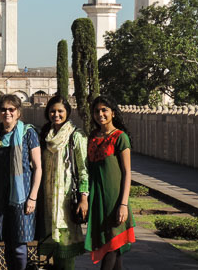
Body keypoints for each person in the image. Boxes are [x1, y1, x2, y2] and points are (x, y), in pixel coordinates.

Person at [0, 94, 42, 270]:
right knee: (8, 242)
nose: (7, 113)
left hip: (23, 196)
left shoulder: (28, 133)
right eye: (3, 109)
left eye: (11, 109)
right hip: (3, 195)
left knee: (20, 243)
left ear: (18, 112)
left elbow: (38, 167)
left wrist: (33, 197)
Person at [37, 95, 88, 270]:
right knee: (54, 247)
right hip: (49, 197)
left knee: (66, 246)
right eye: (52, 111)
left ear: (67, 113)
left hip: (66, 198)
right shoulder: (46, 135)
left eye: (60, 111)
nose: (56, 114)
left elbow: (83, 170)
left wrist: (84, 198)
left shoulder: (76, 136)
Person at [84, 96, 136, 269]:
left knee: (111, 248)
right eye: (96, 111)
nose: (100, 114)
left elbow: (127, 172)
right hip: (98, 201)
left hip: (115, 201)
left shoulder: (120, 138)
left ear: (113, 113)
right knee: (114, 251)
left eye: (104, 110)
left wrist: (123, 204)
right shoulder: (92, 137)